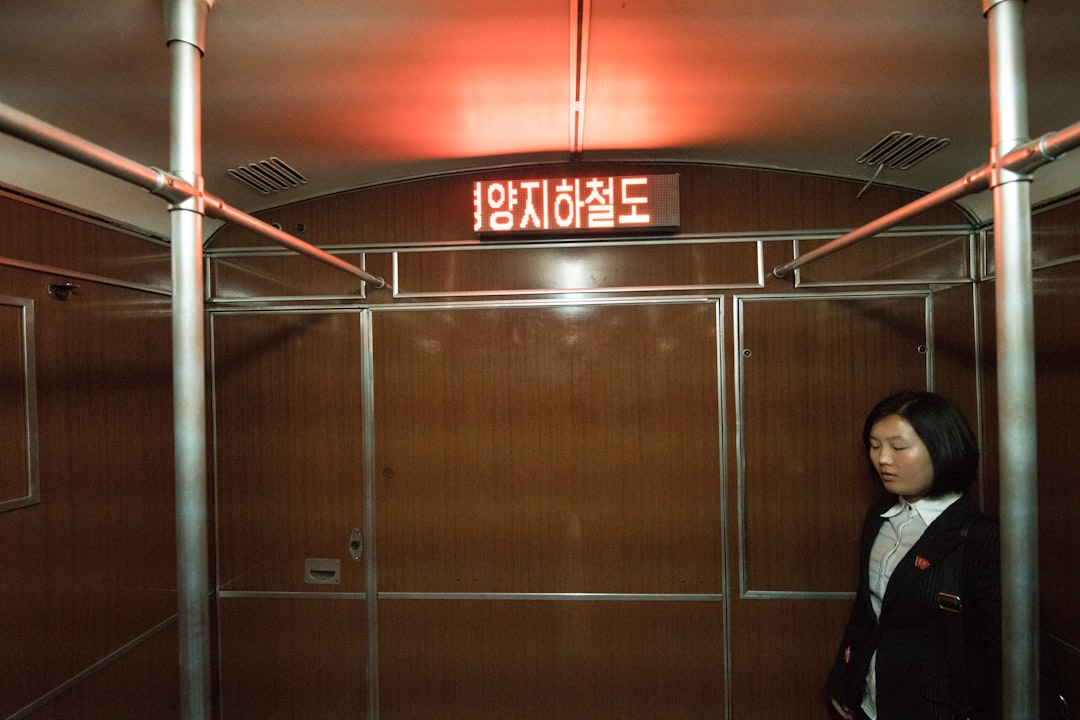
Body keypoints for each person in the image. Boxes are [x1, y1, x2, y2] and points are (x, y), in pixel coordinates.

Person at [827, 391, 1001, 720]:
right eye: (875, 445)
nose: (882, 459)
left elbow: (1007, 652)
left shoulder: (981, 539)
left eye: (898, 447)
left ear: (942, 447)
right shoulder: (878, 519)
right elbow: (869, 612)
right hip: (870, 704)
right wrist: (844, 679)